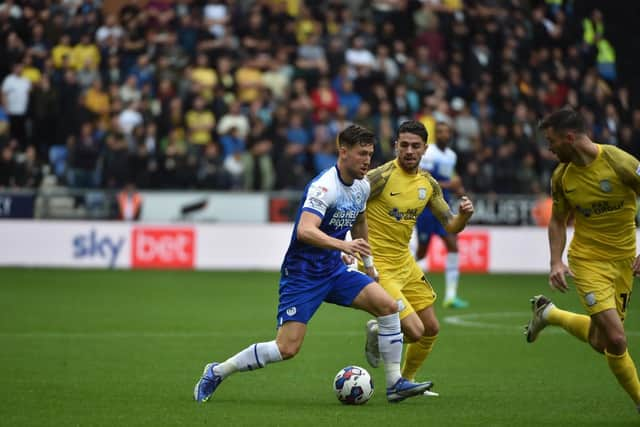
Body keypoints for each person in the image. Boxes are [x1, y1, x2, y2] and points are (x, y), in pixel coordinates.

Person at [194, 124, 433, 403]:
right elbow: (305, 230)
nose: (367, 160)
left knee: (388, 306)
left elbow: (359, 221)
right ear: (343, 152)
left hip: (334, 269)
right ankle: (217, 371)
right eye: (361, 154)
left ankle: (394, 384)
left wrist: (369, 265)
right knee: (287, 347)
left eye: (370, 153)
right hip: (303, 274)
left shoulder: (362, 185)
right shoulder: (324, 187)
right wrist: (342, 245)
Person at [525, 107, 640, 412]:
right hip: (588, 261)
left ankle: (549, 314)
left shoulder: (620, 162)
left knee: (600, 341)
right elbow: (557, 221)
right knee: (616, 339)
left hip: (623, 262)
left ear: (570, 137)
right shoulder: (562, 176)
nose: (548, 149)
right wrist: (556, 262)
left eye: (551, 142)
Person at [362, 120, 474, 389]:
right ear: (395, 147)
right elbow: (349, 205)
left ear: (425, 149)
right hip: (380, 266)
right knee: (415, 330)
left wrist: (464, 216)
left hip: (405, 264)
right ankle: (385, 348)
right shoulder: (379, 177)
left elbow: (450, 225)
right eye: (404, 145)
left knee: (431, 328)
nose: (409, 151)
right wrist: (347, 247)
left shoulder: (429, 184)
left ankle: (406, 379)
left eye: (415, 146)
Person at [415, 121, 469, 308]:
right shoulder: (430, 154)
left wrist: (460, 192)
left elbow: (450, 181)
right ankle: (394, 276)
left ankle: (451, 297)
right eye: (439, 132)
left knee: (453, 247)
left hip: (443, 209)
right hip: (427, 209)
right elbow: (424, 179)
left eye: (446, 131)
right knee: (421, 252)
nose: (443, 134)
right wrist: (450, 185)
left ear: (451, 134)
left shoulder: (451, 156)